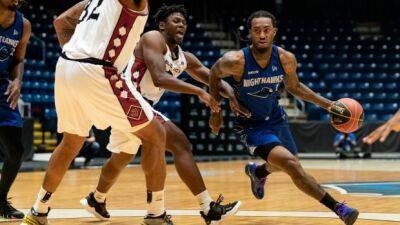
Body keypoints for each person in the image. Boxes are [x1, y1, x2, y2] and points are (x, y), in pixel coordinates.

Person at [80, 5, 243, 225]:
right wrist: (198, 92)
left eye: (184, 22)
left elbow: (213, 78)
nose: (182, 25)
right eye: (176, 21)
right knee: (179, 143)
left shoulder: (185, 58)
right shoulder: (153, 38)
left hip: (136, 107)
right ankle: (205, 208)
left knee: (122, 156)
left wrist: (232, 96)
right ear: (162, 25)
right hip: (127, 98)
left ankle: (96, 199)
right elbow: (159, 78)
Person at [21, 1, 172, 225]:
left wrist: (77, 57)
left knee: (71, 143)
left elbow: (61, 22)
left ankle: (38, 210)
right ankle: (156, 215)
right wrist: (87, 66)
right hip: (97, 69)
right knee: (156, 134)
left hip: (66, 65)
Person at [208, 10, 359, 225]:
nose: (262, 34)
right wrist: (216, 110)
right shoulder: (236, 61)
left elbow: (294, 87)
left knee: (289, 164)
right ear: (250, 33)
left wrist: (328, 105)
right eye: (257, 30)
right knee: (292, 166)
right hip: (251, 125)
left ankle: (258, 171)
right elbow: (213, 73)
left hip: (276, 119)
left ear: (274, 32)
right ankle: (338, 208)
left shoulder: (286, 58)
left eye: (266, 30)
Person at [0, 0, 31, 219]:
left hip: (3, 88)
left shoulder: (23, 24)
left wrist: (17, 82)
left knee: (16, 150)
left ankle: (1, 200)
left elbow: (18, 60)